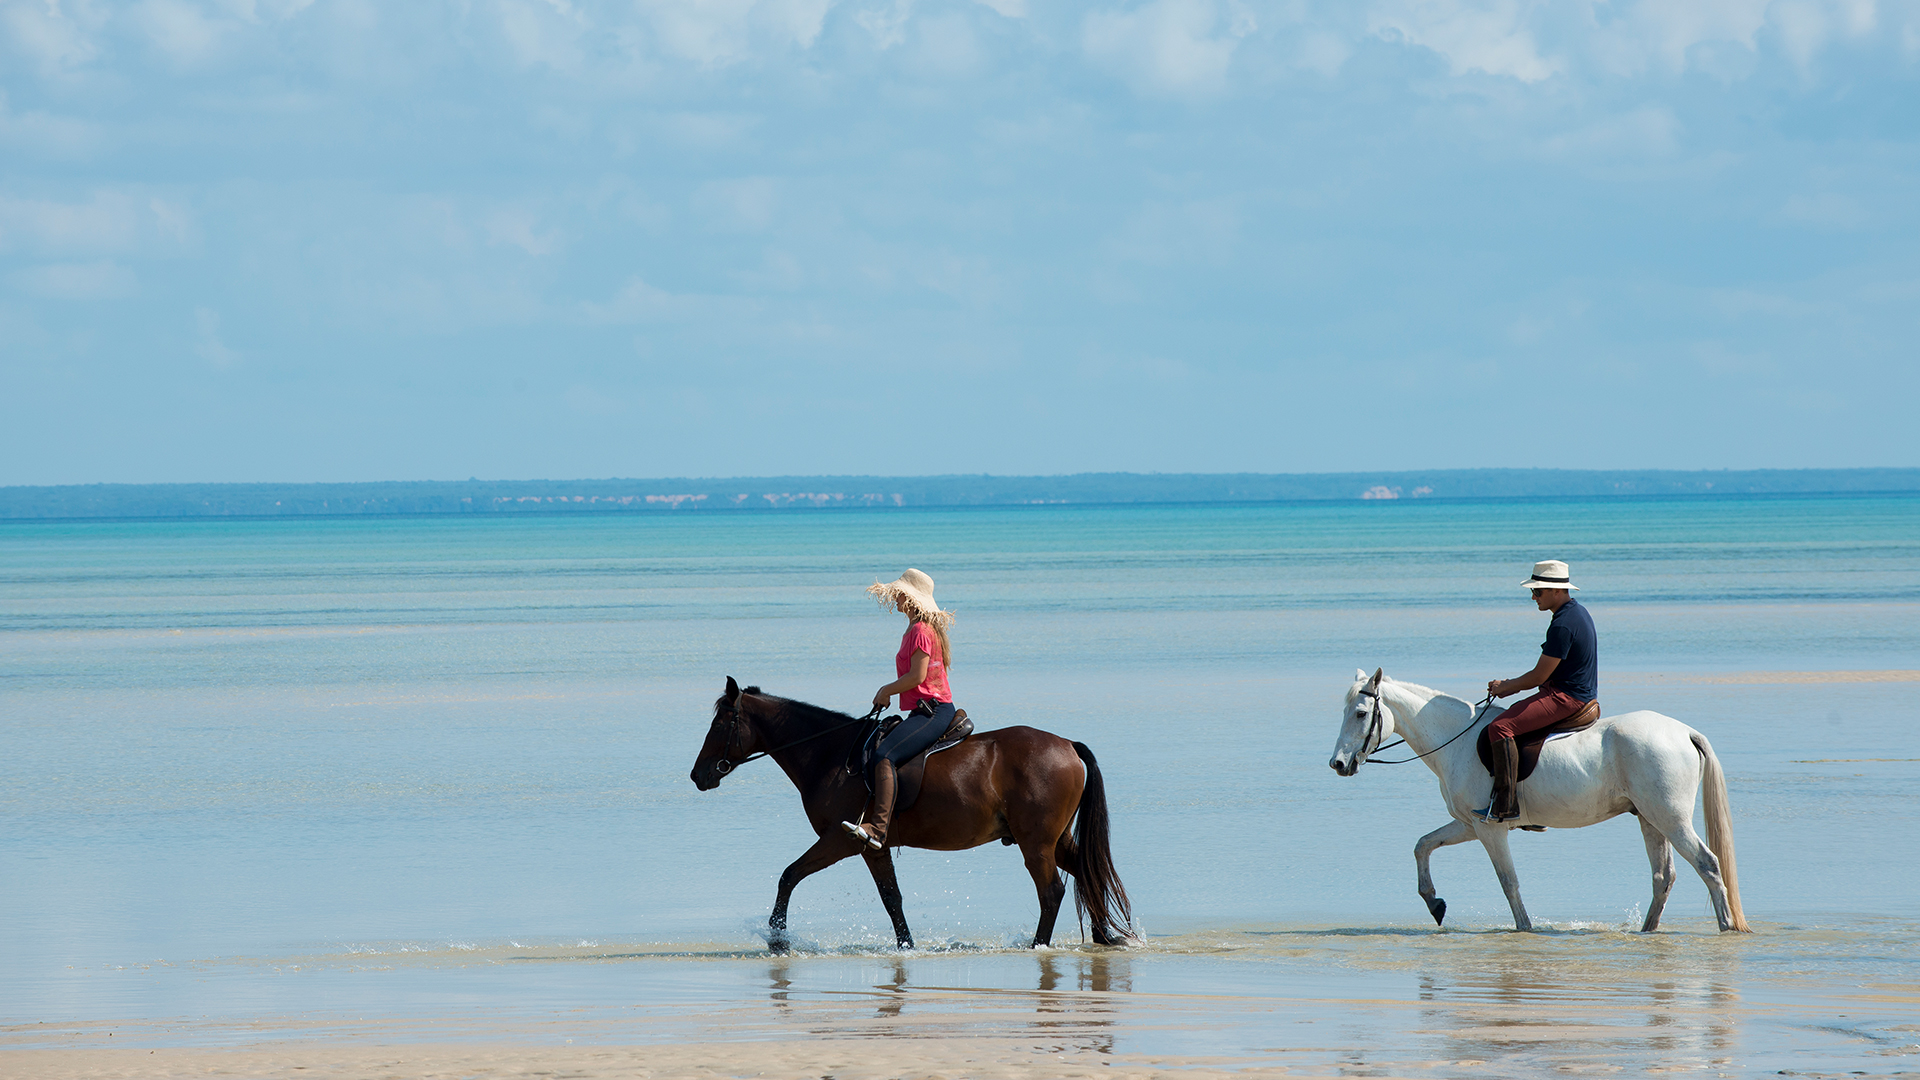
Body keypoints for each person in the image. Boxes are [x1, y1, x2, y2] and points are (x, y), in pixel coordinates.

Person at [1473, 559, 1599, 823]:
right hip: (1572, 691)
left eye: (1537, 591)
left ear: (1557, 591)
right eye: (1532, 591)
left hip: (1565, 698)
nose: (1533, 597)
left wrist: (1505, 687)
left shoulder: (1562, 625)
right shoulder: (1577, 612)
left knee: (1499, 728)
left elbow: (1538, 676)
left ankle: (1506, 805)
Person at [841, 568, 956, 851]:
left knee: (884, 755)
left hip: (934, 711)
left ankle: (878, 828)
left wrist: (886, 690)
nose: (896, 598)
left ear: (911, 597)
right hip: (923, 710)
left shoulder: (920, 630)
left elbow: (917, 677)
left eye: (900, 594)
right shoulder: (917, 628)